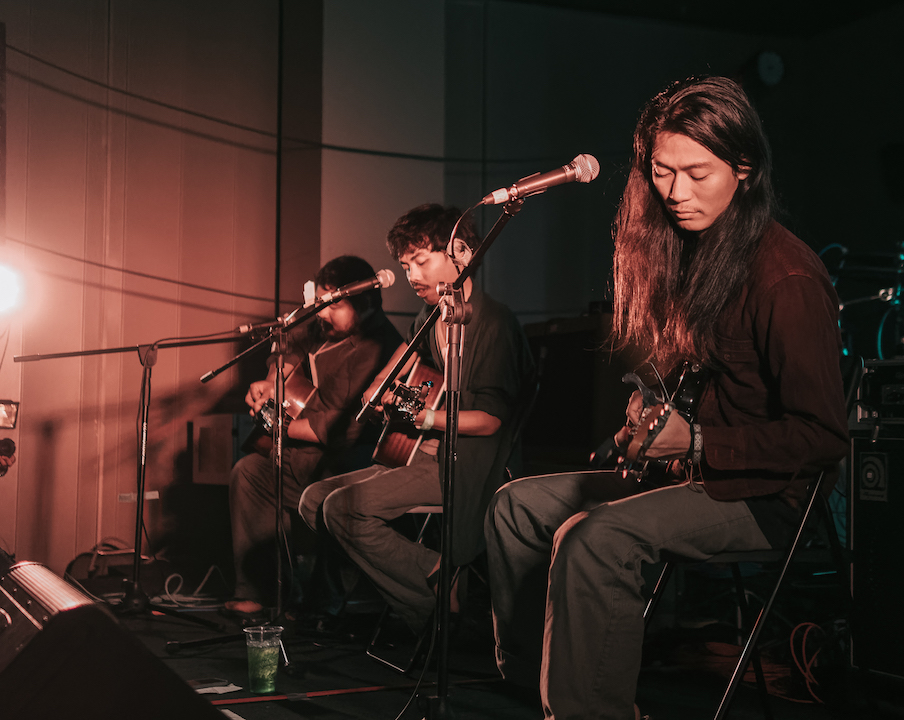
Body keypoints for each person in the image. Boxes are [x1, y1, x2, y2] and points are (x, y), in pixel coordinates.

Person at [485, 75, 850, 719]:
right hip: (688, 475)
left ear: (743, 170)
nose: (677, 192)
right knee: (515, 506)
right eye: (662, 172)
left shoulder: (787, 277)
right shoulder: (692, 251)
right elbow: (699, 383)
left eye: (697, 173)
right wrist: (651, 417)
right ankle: (537, 682)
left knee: (596, 537)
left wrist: (701, 440)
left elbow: (822, 438)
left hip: (763, 497)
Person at [298, 204, 534, 634]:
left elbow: (490, 422)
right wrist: (380, 387)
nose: (412, 276)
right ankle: (432, 590)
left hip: (467, 464)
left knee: (343, 508)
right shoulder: (430, 316)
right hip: (415, 454)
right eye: (406, 266)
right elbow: (407, 355)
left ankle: (435, 595)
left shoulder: (494, 323)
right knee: (313, 501)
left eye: (421, 261)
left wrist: (426, 418)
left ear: (461, 253)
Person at [226, 255, 403, 618]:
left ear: (366, 302)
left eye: (335, 305)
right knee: (248, 473)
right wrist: (272, 383)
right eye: (322, 302)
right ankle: (259, 591)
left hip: (341, 461)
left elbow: (334, 427)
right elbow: (290, 346)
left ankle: (322, 603)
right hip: (297, 454)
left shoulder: (378, 347)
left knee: (329, 490)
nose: (324, 313)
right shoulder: (324, 324)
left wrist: (277, 425)